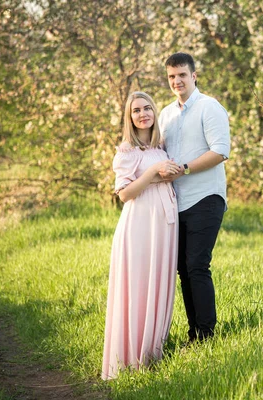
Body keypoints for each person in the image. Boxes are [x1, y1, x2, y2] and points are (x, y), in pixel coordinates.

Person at [101, 91, 182, 380]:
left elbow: (165, 175)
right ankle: (130, 358)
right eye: (136, 110)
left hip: (165, 225)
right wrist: (154, 173)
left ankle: (152, 353)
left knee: (159, 284)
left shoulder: (161, 145)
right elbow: (124, 194)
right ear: (130, 117)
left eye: (148, 108)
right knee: (138, 286)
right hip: (140, 225)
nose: (143, 113)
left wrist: (167, 171)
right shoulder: (127, 151)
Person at [158, 52, 230, 344]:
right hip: (176, 203)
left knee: (197, 265)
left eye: (182, 75)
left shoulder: (209, 107)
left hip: (206, 198)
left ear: (194, 76)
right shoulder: (165, 114)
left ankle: (206, 335)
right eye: (172, 77)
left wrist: (184, 170)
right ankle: (195, 333)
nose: (177, 81)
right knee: (183, 270)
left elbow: (220, 151)